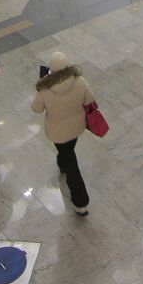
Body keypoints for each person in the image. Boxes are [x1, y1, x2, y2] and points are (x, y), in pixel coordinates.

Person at [31, 51, 97, 216]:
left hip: (57, 132)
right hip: (76, 127)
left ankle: (80, 202)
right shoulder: (79, 81)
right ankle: (62, 164)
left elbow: (36, 109)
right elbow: (90, 100)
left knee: (71, 162)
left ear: (50, 70)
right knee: (68, 151)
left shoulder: (45, 88)